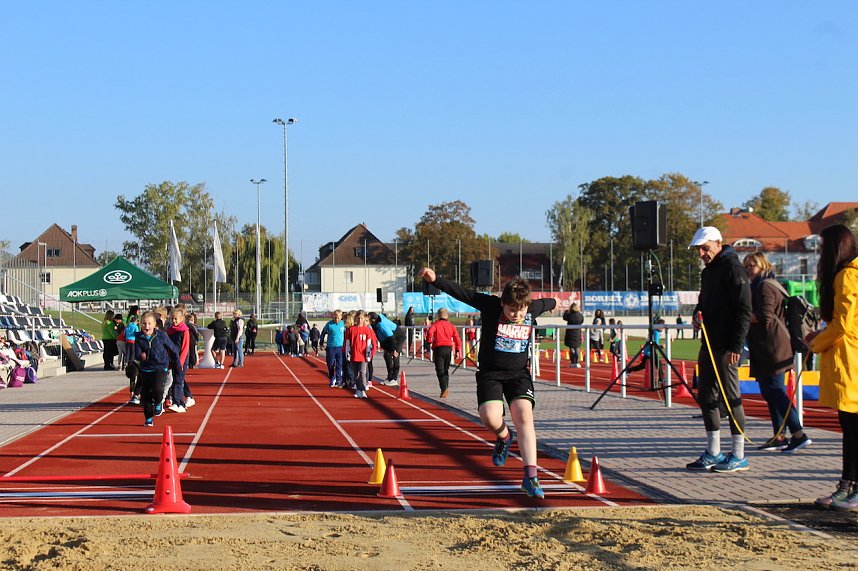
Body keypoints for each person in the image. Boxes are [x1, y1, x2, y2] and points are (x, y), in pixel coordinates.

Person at [420, 267, 557, 499]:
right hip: (490, 373)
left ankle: (530, 477)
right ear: (503, 303)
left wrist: (560, 306)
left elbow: (549, 302)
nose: (516, 315)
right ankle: (504, 436)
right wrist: (437, 281)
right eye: (511, 310)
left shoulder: (531, 308)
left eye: (520, 311)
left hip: (518, 375)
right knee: (489, 416)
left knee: (524, 415)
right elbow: (463, 293)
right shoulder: (492, 306)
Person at [686, 226, 753, 473]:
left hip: (727, 346)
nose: (702, 253)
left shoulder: (734, 268)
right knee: (707, 397)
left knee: (730, 397)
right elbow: (703, 302)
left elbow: (745, 310)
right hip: (709, 343)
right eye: (699, 250)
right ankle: (713, 451)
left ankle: (738, 454)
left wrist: (736, 345)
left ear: (718, 243)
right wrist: (696, 314)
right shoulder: (708, 272)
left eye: (705, 248)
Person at [807, 225, 858, 509]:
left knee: (852, 428)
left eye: (824, 247)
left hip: (850, 361)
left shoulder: (848, 276)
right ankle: (847, 485)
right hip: (849, 357)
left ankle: (850, 487)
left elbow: (843, 324)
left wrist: (816, 342)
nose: (820, 254)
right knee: (849, 428)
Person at [743, 252, 811, 453]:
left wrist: (742, 318)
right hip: (768, 345)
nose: (748, 269)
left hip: (773, 346)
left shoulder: (765, 286)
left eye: (752, 266)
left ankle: (798, 434)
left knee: (775, 390)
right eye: (746, 266)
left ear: (762, 266)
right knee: (769, 390)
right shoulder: (767, 284)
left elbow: (765, 316)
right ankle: (779, 435)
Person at [134, 311, 180, 427]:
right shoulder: (139, 337)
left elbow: (173, 348)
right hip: (146, 369)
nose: (147, 326)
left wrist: (176, 362)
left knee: (158, 389)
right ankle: (149, 418)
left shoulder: (161, 335)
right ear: (141, 324)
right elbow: (136, 353)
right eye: (144, 324)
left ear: (154, 324)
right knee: (146, 395)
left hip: (160, 367)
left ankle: (159, 401)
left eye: (149, 324)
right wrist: (140, 355)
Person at [426, 307, 462, 398]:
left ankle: (443, 388)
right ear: (447, 315)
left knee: (439, 369)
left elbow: (430, 332)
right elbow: (457, 338)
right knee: (446, 369)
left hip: (438, 348)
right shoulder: (451, 325)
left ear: (438, 315)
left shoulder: (435, 324)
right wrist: (457, 350)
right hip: (448, 348)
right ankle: (446, 386)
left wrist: (429, 341)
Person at [344, 310, 378, 399]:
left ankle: (362, 390)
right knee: (356, 374)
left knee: (362, 372)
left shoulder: (367, 330)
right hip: (354, 354)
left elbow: (369, 343)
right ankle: (358, 390)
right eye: (358, 318)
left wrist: (368, 354)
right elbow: (347, 342)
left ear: (364, 319)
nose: (359, 320)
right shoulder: (351, 329)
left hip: (363, 355)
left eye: (361, 318)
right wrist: (347, 353)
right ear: (355, 318)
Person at [165, 307, 193, 413]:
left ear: (182, 319)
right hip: (172, 358)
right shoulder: (170, 330)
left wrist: (180, 362)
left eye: (176, 319)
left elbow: (185, 348)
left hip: (181, 359)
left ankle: (177, 403)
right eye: (172, 319)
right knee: (174, 381)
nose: (174, 321)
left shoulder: (185, 330)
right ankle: (180, 402)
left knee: (178, 381)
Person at [369, 312, 405, 386]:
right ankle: (389, 377)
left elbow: (392, 338)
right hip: (388, 340)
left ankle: (393, 378)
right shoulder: (375, 324)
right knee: (386, 356)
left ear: (373, 320)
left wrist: (394, 350)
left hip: (397, 338)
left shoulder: (382, 325)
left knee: (394, 357)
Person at [320, 310, 345, 387]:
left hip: (341, 347)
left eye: (338, 318)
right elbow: (323, 333)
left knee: (339, 364)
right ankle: (332, 377)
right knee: (330, 363)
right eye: (335, 318)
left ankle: (338, 379)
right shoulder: (329, 324)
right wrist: (321, 343)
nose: (336, 320)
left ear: (341, 317)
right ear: (332, 317)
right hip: (331, 347)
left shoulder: (343, 324)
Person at [562, 303, 584, 368]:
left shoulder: (569, 315)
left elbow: (564, 317)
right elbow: (582, 321)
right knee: (577, 348)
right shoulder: (580, 315)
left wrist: (566, 311)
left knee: (571, 349)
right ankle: (577, 362)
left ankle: (572, 362)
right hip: (577, 333)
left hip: (570, 333)